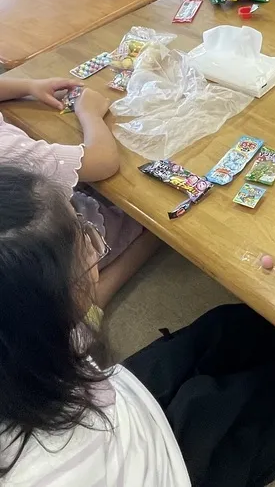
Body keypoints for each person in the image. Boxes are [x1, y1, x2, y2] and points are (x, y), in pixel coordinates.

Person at [0, 165, 275, 485]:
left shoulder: (23, 331)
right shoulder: (63, 470)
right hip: (153, 466)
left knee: (244, 324)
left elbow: (87, 314)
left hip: (104, 398)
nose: (93, 243)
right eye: (83, 236)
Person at [0, 76, 158, 319]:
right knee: (145, 207)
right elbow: (103, 162)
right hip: (43, 269)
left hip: (39, 252)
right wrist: (91, 115)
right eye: (87, 237)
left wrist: (29, 86)